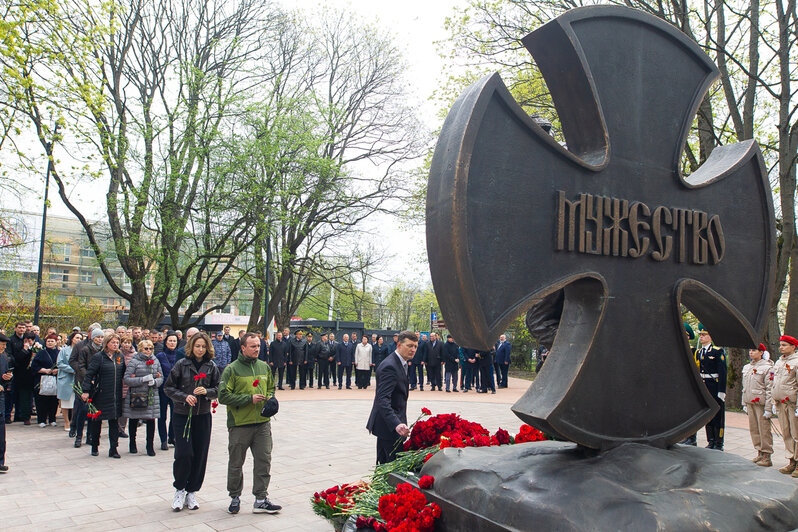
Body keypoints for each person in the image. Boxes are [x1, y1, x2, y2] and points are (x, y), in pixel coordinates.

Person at [219, 332, 282, 515]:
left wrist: (271, 399)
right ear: (243, 348)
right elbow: (223, 396)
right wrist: (249, 399)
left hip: (262, 423)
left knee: (264, 460)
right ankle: (235, 496)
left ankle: (261, 498)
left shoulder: (264, 367)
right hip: (239, 424)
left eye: (258, 346)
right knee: (236, 462)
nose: (257, 349)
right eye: (253, 346)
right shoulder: (232, 369)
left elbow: (271, 387)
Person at [164, 332, 220, 511]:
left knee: (200, 454)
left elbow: (219, 388)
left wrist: (208, 392)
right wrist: (184, 396)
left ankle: (192, 491)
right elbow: (169, 387)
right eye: (197, 346)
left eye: (203, 346)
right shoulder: (182, 364)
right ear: (191, 346)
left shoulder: (211, 366)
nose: (200, 349)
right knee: (184, 453)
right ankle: (179, 488)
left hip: (202, 415)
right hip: (182, 414)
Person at [366, 330, 417, 464]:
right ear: (399, 345)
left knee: (387, 467)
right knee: (389, 468)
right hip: (388, 426)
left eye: (415, 347)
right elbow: (382, 400)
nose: (413, 349)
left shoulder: (401, 363)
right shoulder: (390, 366)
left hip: (392, 425)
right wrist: (396, 424)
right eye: (410, 346)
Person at [81, 333, 126, 458]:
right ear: (107, 343)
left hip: (115, 394)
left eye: (117, 342)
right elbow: (89, 374)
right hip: (101, 394)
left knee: (114, 422)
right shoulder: (99, 357)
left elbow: (123, 372)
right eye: (113, 342)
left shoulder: (119, 356)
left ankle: (113, 448)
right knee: (97, 421)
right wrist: (86, 390)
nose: (115, 345)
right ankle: (95, 446)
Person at [123, 339, 163, 456]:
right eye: (146, 349)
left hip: (151, 394)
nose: (148, 351)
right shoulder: (134, 361)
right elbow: (127, 379)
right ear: (140, 349)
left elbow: (161, 377)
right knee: (134, 419)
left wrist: (155, 381)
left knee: (151, 420)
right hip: (137, 394)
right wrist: (142, 380)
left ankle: (149, 446)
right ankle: (132, 443)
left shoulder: (155, 361)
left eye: (150, 348)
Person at [71, 327, 103, 447]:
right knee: (83, 411)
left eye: (101, 337)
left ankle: (90, 435)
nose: (100, 339)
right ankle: (79, 436)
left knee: (93, 412)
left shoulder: (103, 350)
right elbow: (81, 366)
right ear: (93, 338)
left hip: (97, 385)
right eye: (98, 337)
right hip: (85, 382)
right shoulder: (85, 349)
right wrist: (90, 377)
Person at [742, 343, 774, 467]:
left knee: (764, 429)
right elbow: (744, 387)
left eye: (754, 350)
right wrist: (744, 402)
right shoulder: (747, 367)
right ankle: (759, 452)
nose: (751, 352)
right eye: (750, 350)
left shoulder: (767, 367)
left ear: (761, 352)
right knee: (754, 429)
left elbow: (769, 389)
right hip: (750, 401)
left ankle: (767, 455)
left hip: (761, 403)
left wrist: (768, 408)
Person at [696, 324, 726, 450]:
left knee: (718, 415)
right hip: (704, 385)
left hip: (714, 385)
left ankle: (719, 443)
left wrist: (721, 391)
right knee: (708, 414)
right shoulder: (699, 352)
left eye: (704, 335)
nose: (701, 337)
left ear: (710, 337)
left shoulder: (717, 351)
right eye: (700, 335)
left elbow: (723, 372)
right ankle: (711, 440)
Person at [772, 335, 798, 476]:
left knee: (796, 434)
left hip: (792, 404)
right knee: (786, 433)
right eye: (780, 345)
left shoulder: (797, 361)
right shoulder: (779, 362)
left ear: (793, 347)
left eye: (784, 345)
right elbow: (774, 383)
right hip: (780, 403)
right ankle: (791, 461)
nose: (781, 347)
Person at [31, 333, 60, 427]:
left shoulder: (59, 353)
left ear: (56, 342)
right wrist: (44, 370)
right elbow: (34, 366)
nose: (50, 343)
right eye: (48, 341)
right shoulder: (41, 353)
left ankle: (52, 419)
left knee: (53, 400)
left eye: (52, 341)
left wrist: (58, 370)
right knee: (41, 400)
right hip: (42, 379)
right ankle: (41, 419)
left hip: (55, 379)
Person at [158, 332, 180, 450]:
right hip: (162, 389)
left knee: (175, 415)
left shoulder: (179, 354)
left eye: (174, 341)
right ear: (166, 342)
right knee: (162, 416)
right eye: (170, 340)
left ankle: (173, 437)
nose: (172, 343)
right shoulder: (160, 355)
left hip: (175, 390)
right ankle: (163, 439)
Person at [10, 330, 37, 424]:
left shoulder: (37, 347)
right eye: (27, 340)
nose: (29, 342)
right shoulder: (20, 347)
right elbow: (17, 360)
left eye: (31, 340)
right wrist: (25, 350)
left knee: (35, 398)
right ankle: (25, 417)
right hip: (23, 377)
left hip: (34, 376)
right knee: (25, 398)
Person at [57, 331, 81, 435]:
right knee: (65, 402)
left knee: (74, 402)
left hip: (77, 378)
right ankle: (66, 422)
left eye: (80, 338)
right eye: (77, 338)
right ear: (72, 339)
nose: (79, 340)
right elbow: (59, 363)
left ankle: (72, 422)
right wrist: (72, 369)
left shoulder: (82, 350)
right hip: (66, 378)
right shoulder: (64, 350)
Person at [117, 335, 137, 438]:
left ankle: (122, 428)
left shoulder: (135, 355)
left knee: (126, 408)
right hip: (118, 383)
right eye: (125, 342)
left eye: (129, 342)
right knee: (118, 407)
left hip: (129, 384)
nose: (127, 345)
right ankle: (116, 427)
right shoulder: (117, 353)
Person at [0, 333, 11, 472]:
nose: (3, 347)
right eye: (1, 344)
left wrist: (6, 377)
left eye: (4, 344)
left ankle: (1, 461)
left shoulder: (3, 357)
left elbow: (4, 377)